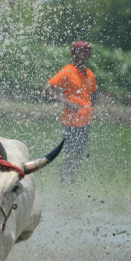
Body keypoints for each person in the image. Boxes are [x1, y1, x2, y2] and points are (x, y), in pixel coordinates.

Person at [42, 41, 98, 185]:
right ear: (74, 54)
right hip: (71, 122)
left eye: (86, 52)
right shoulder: (67, 71)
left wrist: (91, 109)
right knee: (71, 154)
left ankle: (70, 181)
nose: (84, 55)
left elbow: (93, 94)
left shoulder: (89, 74)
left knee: (79, 155)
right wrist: (66, 101)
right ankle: (64, 182)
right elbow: (48, 88)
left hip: (85, 122)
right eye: (81, 52)